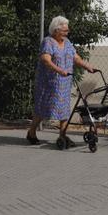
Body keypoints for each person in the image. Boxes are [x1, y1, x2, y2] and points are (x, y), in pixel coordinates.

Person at [26, 15, 98, 147]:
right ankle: (31, 133)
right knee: (42, 108)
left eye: (67, 30)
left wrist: (87, 66)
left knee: (64, 109)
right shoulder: (48, 42)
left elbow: (76, 58)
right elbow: (46, 60)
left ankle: (62, 136)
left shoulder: (67, 42)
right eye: (64, 31)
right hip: (48, 82)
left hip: (64, 82)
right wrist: (59, 70)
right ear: (55, 30)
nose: (67, 32)